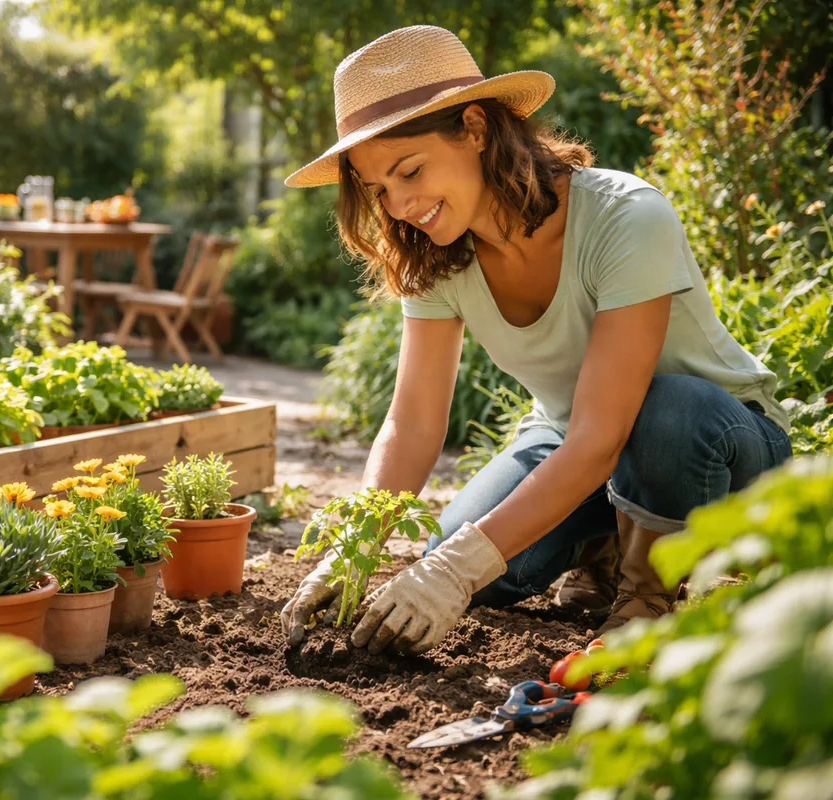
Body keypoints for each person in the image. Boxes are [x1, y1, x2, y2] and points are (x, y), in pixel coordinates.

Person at [278, 25, 792, 656]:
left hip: (719, 440)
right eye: (379, 189)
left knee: (667, 411)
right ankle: (604, 540)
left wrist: (456, 572)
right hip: (578, 442)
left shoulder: (625, 217)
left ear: (475, 128)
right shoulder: (434, 255)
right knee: (469, 563)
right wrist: (352, 549)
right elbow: (412, 425)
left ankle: (648, 595)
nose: (401, 204)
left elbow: (604, 434)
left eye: (409, 170)